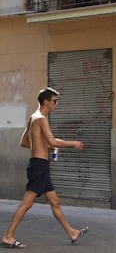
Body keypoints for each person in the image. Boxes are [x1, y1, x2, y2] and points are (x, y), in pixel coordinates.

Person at [2, 87, 88, 249]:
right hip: (39, 167)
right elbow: (53, 142)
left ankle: (72, 232)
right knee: (27, 203)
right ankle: (8, 236)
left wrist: (43, 146)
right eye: (54, 101)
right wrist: (74, 143)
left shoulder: (32, 118)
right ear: (46, 102)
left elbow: (24, 142)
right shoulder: (41, 119)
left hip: (39, 165)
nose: (56, 104)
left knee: (55, 201)